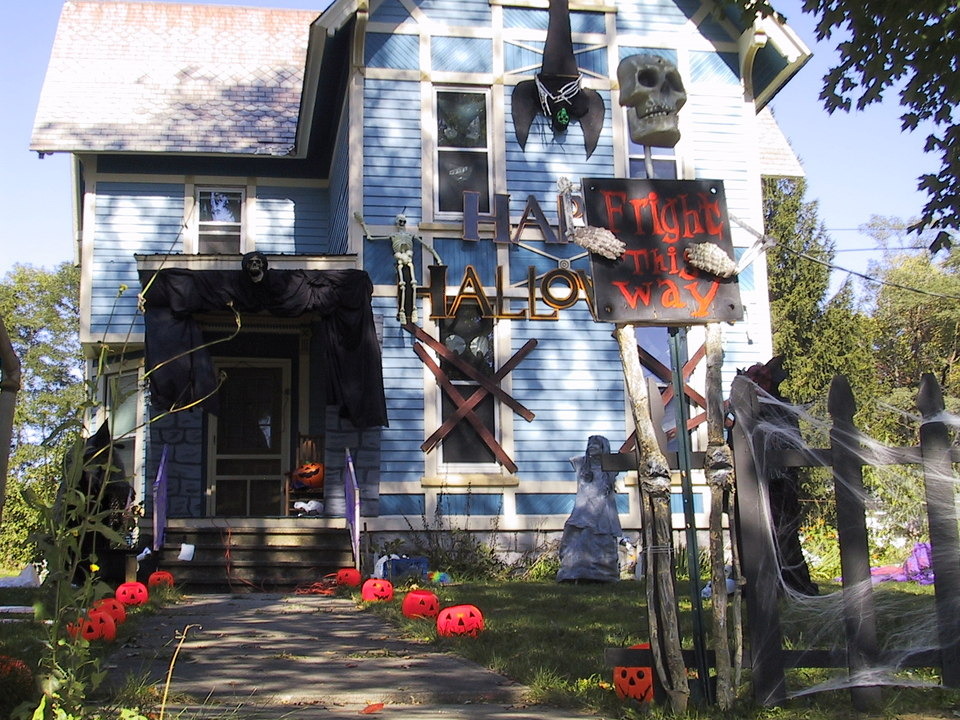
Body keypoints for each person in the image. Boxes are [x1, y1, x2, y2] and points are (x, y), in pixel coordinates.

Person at [743, 358, 819, 596]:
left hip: (779, 485)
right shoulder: (746, 410)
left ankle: (792, 584)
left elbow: (790, 444)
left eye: (760, 379)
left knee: (783, 534)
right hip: (751, 484)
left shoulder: (781, 408)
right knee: (751, 536)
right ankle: (758, 584)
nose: (754, 384)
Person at [557, 435, 622, 582]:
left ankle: (603, 575)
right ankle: (574, 573)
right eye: (590, 445)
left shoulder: (610, 469)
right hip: (582, 512)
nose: (592, 448)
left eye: (596, 445)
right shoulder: (580, 464)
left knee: (601, 543)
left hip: (603, 513)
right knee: (578, 542)